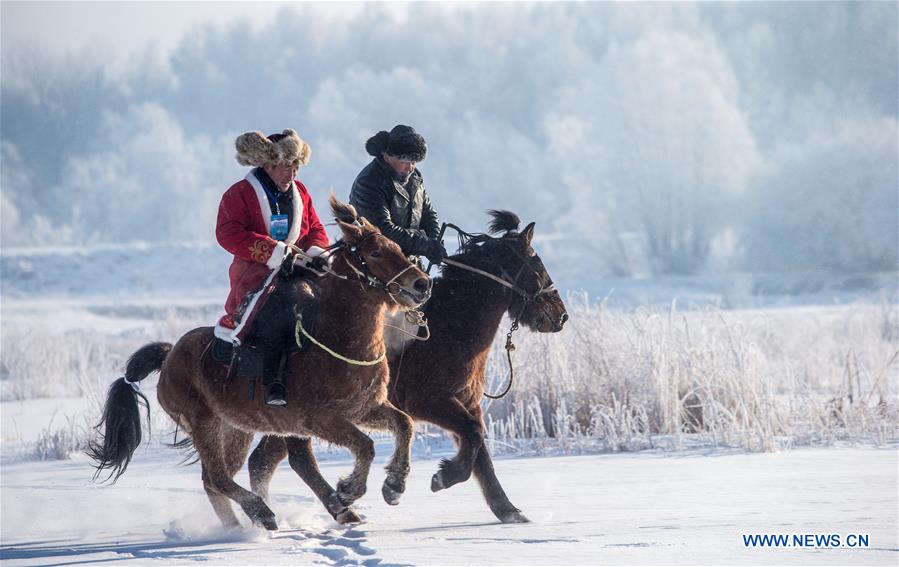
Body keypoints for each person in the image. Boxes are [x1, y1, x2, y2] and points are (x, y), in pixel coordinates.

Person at [214, 128, 329, 406]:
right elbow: (227, 233)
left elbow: (315, 228)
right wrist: (272, 252)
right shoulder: (239, 194)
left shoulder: (300, 192)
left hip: (298, 269)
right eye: (286, 167)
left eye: (296, 167)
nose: (292, 173)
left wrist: (315, 251)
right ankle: (274, 381)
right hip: (256, 274)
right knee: (280, 310)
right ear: (267, 164)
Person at [349, 125, 446, 263]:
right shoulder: (369, 181)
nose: (411, 167)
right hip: (375, 264)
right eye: (405, 161)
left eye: (414, 162)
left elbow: (428, 214)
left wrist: (434, 242)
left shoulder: (415, 177)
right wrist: (425, 246)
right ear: (387, 156)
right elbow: (383, 229)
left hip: (406, 262)